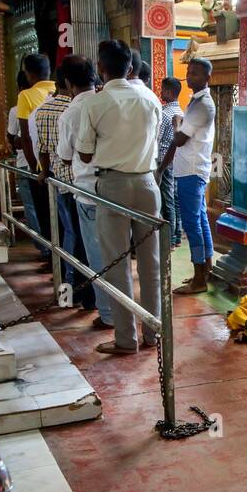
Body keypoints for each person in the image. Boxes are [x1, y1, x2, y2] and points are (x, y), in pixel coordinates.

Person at [74, 39, 163, 355]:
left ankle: (126, 339)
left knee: (117, 263)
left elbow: (84, 155)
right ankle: (154, 333)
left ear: (101, 68)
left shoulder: (95, 103)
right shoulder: (151, 99)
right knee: (150, 263)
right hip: (148, 185)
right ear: (130, 67)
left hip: (112, 186)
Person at [30, 68, 98, 311]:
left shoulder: (44, 111)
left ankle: (69, 293)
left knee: (68, 239)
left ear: (66, 83)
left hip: (64, 184)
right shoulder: (99, 103)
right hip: (93, 185)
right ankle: (91, 297)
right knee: (90, 243)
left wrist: (43, 170)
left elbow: (46, 150)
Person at [56, 56, 114, 329]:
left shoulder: (71, 113)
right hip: (117, 188)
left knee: (96, 254)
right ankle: (124, 310)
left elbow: (67, 156)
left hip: (88, 191)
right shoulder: (109, 103)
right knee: (120, 253)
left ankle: (109, 314)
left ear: (67, 83)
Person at [160, 57, 217, 294]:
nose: (191, 77)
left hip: (192, 170)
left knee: (192, 222)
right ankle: (205, 271)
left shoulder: (203, 104)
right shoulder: (196, 102)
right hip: (190, 169)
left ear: (207, 77)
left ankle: (200, 279)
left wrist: (176, 124)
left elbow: (180, 139)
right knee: (200, 220)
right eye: (189, 73)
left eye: (196, 74)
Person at [7, 68, 49, 261]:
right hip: (51, 166)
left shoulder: (20, 103)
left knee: (33, 207)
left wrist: (34, 167)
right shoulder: (54, 96)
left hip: (30, 164)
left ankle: (45, 248)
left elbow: (18, 138)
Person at [157, 76, 185, 247]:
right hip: (177, 161)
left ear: (168, 91)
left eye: (162, 89)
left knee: (166, 199)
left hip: (164, 161)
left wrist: (158, 167)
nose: (160, 92)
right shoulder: (181, 112)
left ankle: (169, 239)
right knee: (174, 198)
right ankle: (177, 235)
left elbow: (157, 139)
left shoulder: (165, 113)